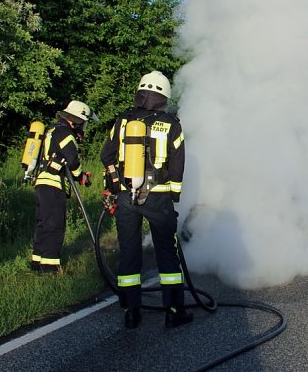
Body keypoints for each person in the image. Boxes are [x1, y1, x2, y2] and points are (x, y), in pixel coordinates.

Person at [100, 71, 190, 329]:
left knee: (129, 251)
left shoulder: (123, 121)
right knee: (167, 254)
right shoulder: (172, 124)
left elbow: (106, 156)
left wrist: (116, 186)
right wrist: (173, 194)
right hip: (158, 198)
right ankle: (174, 310)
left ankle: (131, 311)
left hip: (126, 197)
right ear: (164, 97)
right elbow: (177, 164)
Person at [31, 101, 95, 273]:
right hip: (53, 184)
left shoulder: (51, 129)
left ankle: (37, 261)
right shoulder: (66, 133)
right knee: (55, 225)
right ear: (76, 120)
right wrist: (81, 176)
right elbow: (72, 160)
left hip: (42, 181)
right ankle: (50, 268)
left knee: (43, 223)